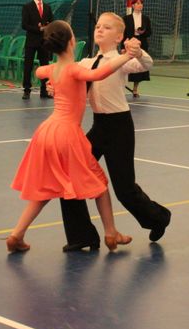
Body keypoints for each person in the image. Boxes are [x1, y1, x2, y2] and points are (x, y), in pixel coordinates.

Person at [7, 20, 137, 253]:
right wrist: (127, 55)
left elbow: (39, 71)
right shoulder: (75, 69)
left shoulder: (52, 70)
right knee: (100, 185)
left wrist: (53, 82)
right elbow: (99, 73)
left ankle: (17, 233)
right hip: (66, 134)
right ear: (71, 42)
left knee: (48, 188)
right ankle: (111, 233)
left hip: (47, 131)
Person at [58, 13, 171, 251]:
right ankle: (82, 235)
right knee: (69, 177)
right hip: (98, 127)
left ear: (119, 37)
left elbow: (146, 64)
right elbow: (67, 75)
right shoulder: (87, 63)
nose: (99, 29)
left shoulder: (122, 60)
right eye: (98, 26)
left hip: (120, 127)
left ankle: (159, 217)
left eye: (107, 27)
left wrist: (137, 51)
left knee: (124, 190)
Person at [21, 0, 53, 100]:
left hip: (44, 41)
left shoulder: (48, 7)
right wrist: (38, 28)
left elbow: (51, 22)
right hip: (31, 41)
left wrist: (47, 27)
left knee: (45, 66)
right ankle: (26, 90)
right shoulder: (27, 7)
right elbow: (24, 25)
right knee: (28, 66)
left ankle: (44, 90)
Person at [123, 0, 152, 98]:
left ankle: (135, 89)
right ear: (133, 5)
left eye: (141, 3)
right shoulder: (126, 18)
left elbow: (150, 32)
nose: (140, 5)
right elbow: (123, 33)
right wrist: (123, 46)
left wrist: (143, 32)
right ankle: (121, 87)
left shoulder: (146, 18)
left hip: (142, 43)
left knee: (139, 66)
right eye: (138, 3)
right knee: (126, 65)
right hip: (130, 43)